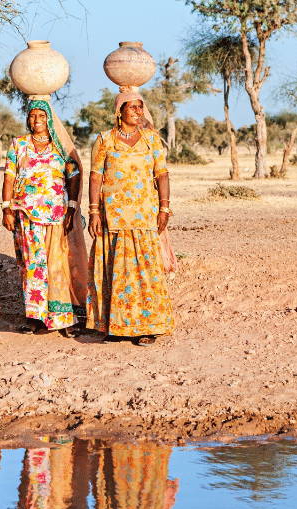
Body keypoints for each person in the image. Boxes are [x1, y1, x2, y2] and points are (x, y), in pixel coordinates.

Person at [86, 92, 175, 346]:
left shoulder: (151, 140)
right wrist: (93, 211)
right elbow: (95, 177)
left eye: (140, 107)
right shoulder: (105, 140)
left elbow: (162, 175)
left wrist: (164, 208)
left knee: (144, 271)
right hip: (112, 217)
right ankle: (116, 326)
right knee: (114, 271)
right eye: (132, 107)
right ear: (119, 111)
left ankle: (147, 327)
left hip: (144, 216)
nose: (138, 111)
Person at [1, 99, 85, 337]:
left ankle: (61, 317)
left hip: (55, 215)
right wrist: (6, 209)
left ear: (49, 119)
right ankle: (35, 317)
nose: (35, 121)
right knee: (32, 266)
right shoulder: (18, 144)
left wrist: (72, 207)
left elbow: (74, 175)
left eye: (40, 116)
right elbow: (8, 177)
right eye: (32, 116)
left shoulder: (60, 147)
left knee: (56, 264)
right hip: (26, 215)